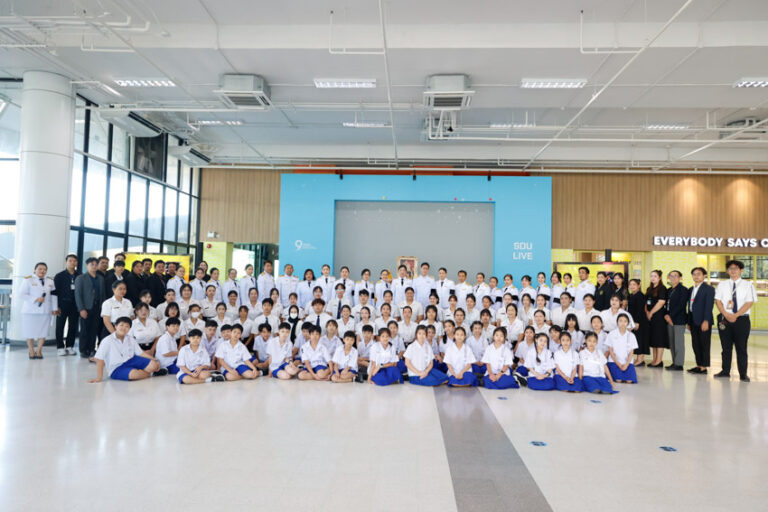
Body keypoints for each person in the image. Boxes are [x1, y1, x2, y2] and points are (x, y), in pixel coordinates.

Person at [714, 260, 758, 382]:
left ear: (741, 270)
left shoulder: (748, 285)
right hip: (724, 318)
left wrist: (736, 315)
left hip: (741, 320)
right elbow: (718, 301)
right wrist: (726, 314)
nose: (733, 270)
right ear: (727, 271)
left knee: (741, 347)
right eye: (730, 268)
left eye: (736, 268)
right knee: (726, 347)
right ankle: (725, 371)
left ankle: (743, 373)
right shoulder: (722, 285)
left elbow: (749, 302)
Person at [88, 317, 165, 383]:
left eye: (127, 326)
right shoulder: (107, 340)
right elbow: (100, 360)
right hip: (117, 367)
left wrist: (154, 360)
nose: (123, 328)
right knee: (135, 375)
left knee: (154, 365)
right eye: (121, 325)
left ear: (129, 329)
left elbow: (141, 353)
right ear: (115, 326)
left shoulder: (130, 339)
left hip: (131, 360)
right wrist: (99, 377)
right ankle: (148, 373)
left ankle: (141, 371)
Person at [20, 262, 58, 359]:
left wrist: (55, 308)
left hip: (45, 311)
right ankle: (31, 351)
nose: (42, 271)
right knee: (29, 332)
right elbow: (22, 294)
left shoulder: (50, 281)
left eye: (44, 269)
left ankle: (39, 351)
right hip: (30, 311)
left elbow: (53, 296)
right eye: (40, 269)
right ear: (35, 270)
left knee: (43, 332)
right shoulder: (28, 280)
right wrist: (36, 299)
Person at [74, 257, 105, 360]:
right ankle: (83, 350)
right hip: (86, 308)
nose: (94, 266)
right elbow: (78, 295)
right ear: (87, 265)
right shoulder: (81, 278)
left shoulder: (100, 278)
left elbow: (102, 294)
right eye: (92, 264)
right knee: (84, 330)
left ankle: (92, 349)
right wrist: (81, 309)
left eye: (96, 264)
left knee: (94, 330)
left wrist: (103, 308)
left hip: (97, 307)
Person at [687, 267, 715, 374]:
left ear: (704, 276)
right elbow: (690, 306)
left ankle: (704, 367)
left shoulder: (709, 289)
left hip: (703, 321)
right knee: (695, 344)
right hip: (693, 320)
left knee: (704, 344)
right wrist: (689, 322)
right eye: (694, 274)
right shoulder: (691, 289)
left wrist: (706, 321)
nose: (696, 276)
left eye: (699, 274)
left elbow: (709, 306)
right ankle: (699, 365)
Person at [53, 254, 80, 356]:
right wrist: (56, 306)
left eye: (74, 261)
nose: (72, 263)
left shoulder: (79, 275)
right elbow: (54, 292)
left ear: (77, 262)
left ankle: (70, 346)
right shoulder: (59, 276)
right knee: (60, 326)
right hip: (62, 304)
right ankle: (60, 347)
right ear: (66, 262)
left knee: (73, 326)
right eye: (70, 261)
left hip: (75, 305)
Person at [664, 270, 689, 371]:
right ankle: (674, 362)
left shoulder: (683, 290)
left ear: (680, 278)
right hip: (669, 319)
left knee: (678, 343)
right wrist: (666, 315)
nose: (673, 278)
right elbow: (666, 305)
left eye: (676, 276)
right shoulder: (669, 290)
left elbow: (681, 305)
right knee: (672, 342)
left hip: (679, 320)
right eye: (671, 276)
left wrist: (670, 316)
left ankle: (679, 364)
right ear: (668, 277)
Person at [644, 270, 668, 368]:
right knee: (653, 339)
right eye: (651, 276)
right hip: (650, 317)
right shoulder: (649, 289)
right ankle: (654, 360)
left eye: (655, 276)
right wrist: (647, 313)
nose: (653, 278)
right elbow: (645, 302)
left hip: (658, 317)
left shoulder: (662, 288)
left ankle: (659, 361)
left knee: (659, 339)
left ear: (659, 278)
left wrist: (651, 313)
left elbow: (661, 302)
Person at [606, 313, 638, 383]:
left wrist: (626, 364)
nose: (622, 323)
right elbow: (610, 351)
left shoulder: (631, 335)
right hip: (614, 361)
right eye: (620, 321)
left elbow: (631, 352)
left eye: (625, 321)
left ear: (628, 323)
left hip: (627, 362)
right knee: (618, 380)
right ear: (617, 322)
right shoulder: (611, 334)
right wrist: (618, 363)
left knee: (629, 381)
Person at [627, 279, 650, 367]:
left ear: (638, 285)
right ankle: (638, 359)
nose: (632, 286)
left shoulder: (640, 295)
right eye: (630, 284)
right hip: (633, 321)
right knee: (636, 340)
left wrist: (637, 322)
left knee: (640, 340)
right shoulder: (632, 295)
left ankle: (640, 360)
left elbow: (640, 310)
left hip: (640, 322)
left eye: (634, 284)